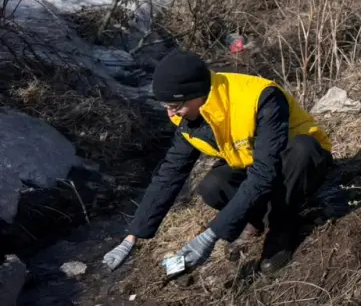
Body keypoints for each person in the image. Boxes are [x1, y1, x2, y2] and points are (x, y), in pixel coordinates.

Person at [102, 50, 333, 276]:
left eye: (176, 105)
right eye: (166, 106)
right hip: (252, 166)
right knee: (212, 186)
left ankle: (282, 226)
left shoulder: (261, 97)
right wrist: (132, 237)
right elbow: (170, 174)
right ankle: (255, 217)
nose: (172, 113)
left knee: (303, 151)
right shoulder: (188, 116)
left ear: (197, 93)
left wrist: (211, 235)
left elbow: (264, 172)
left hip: (297, 161)